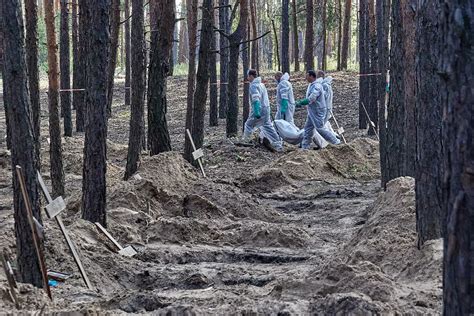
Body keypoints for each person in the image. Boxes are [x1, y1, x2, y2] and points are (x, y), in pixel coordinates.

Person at [296, 70, 340, 149]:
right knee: (308, 128)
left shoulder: (317, 86)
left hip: (317, 111)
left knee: (320, 128)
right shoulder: (313, 85)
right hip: (312, 110)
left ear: (312, 76)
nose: (306, 78)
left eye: (307, 76)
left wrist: (301, 102)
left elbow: (312, 98)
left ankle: (336, 142)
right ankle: (305, 146)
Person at [243, 69, 283, 152]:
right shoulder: (261, 84)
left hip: (258, 109)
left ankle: (246, 142)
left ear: (251, 76)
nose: (247, 78)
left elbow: (256, 98)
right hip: (266, 109)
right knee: (268, 126)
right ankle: (278, 144)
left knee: (248, 125)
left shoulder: (254, 85)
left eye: (248, 76)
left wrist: (257, 110)